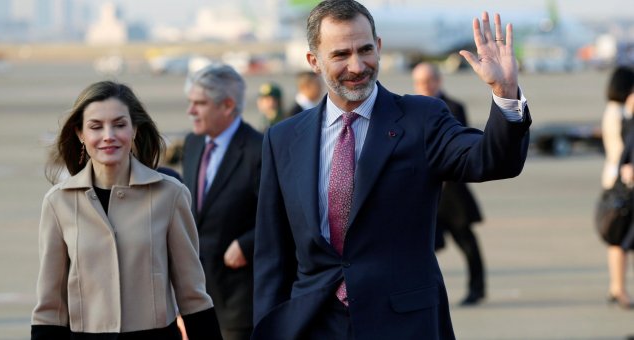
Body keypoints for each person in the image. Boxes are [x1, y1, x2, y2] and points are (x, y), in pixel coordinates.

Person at [253, 1, 531, 339]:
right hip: (313, 323)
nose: (357, 66)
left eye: (366, 50)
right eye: (340, 54)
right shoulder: (283, 139)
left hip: (403, 323)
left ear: (379, 47)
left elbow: (491, 159)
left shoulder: (422, 119)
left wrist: (505, 95)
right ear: (314, 61)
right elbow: (272, 255)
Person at [32, 81, 222, 339]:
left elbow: (193, 296)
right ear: (80, 134)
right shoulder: (58, 202)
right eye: (96, 127)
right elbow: (50, 308)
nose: (108, 135)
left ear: (134, 130)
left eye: (119, 124)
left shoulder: (170, 195)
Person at [181, 63, 262, 340]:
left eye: (199, 103)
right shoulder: (193, 144)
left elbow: (284, 218)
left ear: (227, 105)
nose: (190, 111)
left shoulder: (259, 150)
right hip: (196, 298)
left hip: (238, 304)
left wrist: (246, 244)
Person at [412, 61, 487, 306]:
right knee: (421, 248)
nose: (423, 86)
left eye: (427, 81)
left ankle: (477, 289)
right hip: (423, 193)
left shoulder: (454, 107)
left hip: (452, 192)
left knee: (466, 242)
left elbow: (459, 146)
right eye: (419, 83)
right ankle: (423, 293)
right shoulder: (410, 109)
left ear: (437, 81)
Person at [600, 66, 634, 310]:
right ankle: (619, 288)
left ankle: (616, 286)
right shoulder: (623, 113)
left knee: (618, 235)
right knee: (621, 236)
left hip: (611, 177)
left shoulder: (611, 110)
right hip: (624, 182)